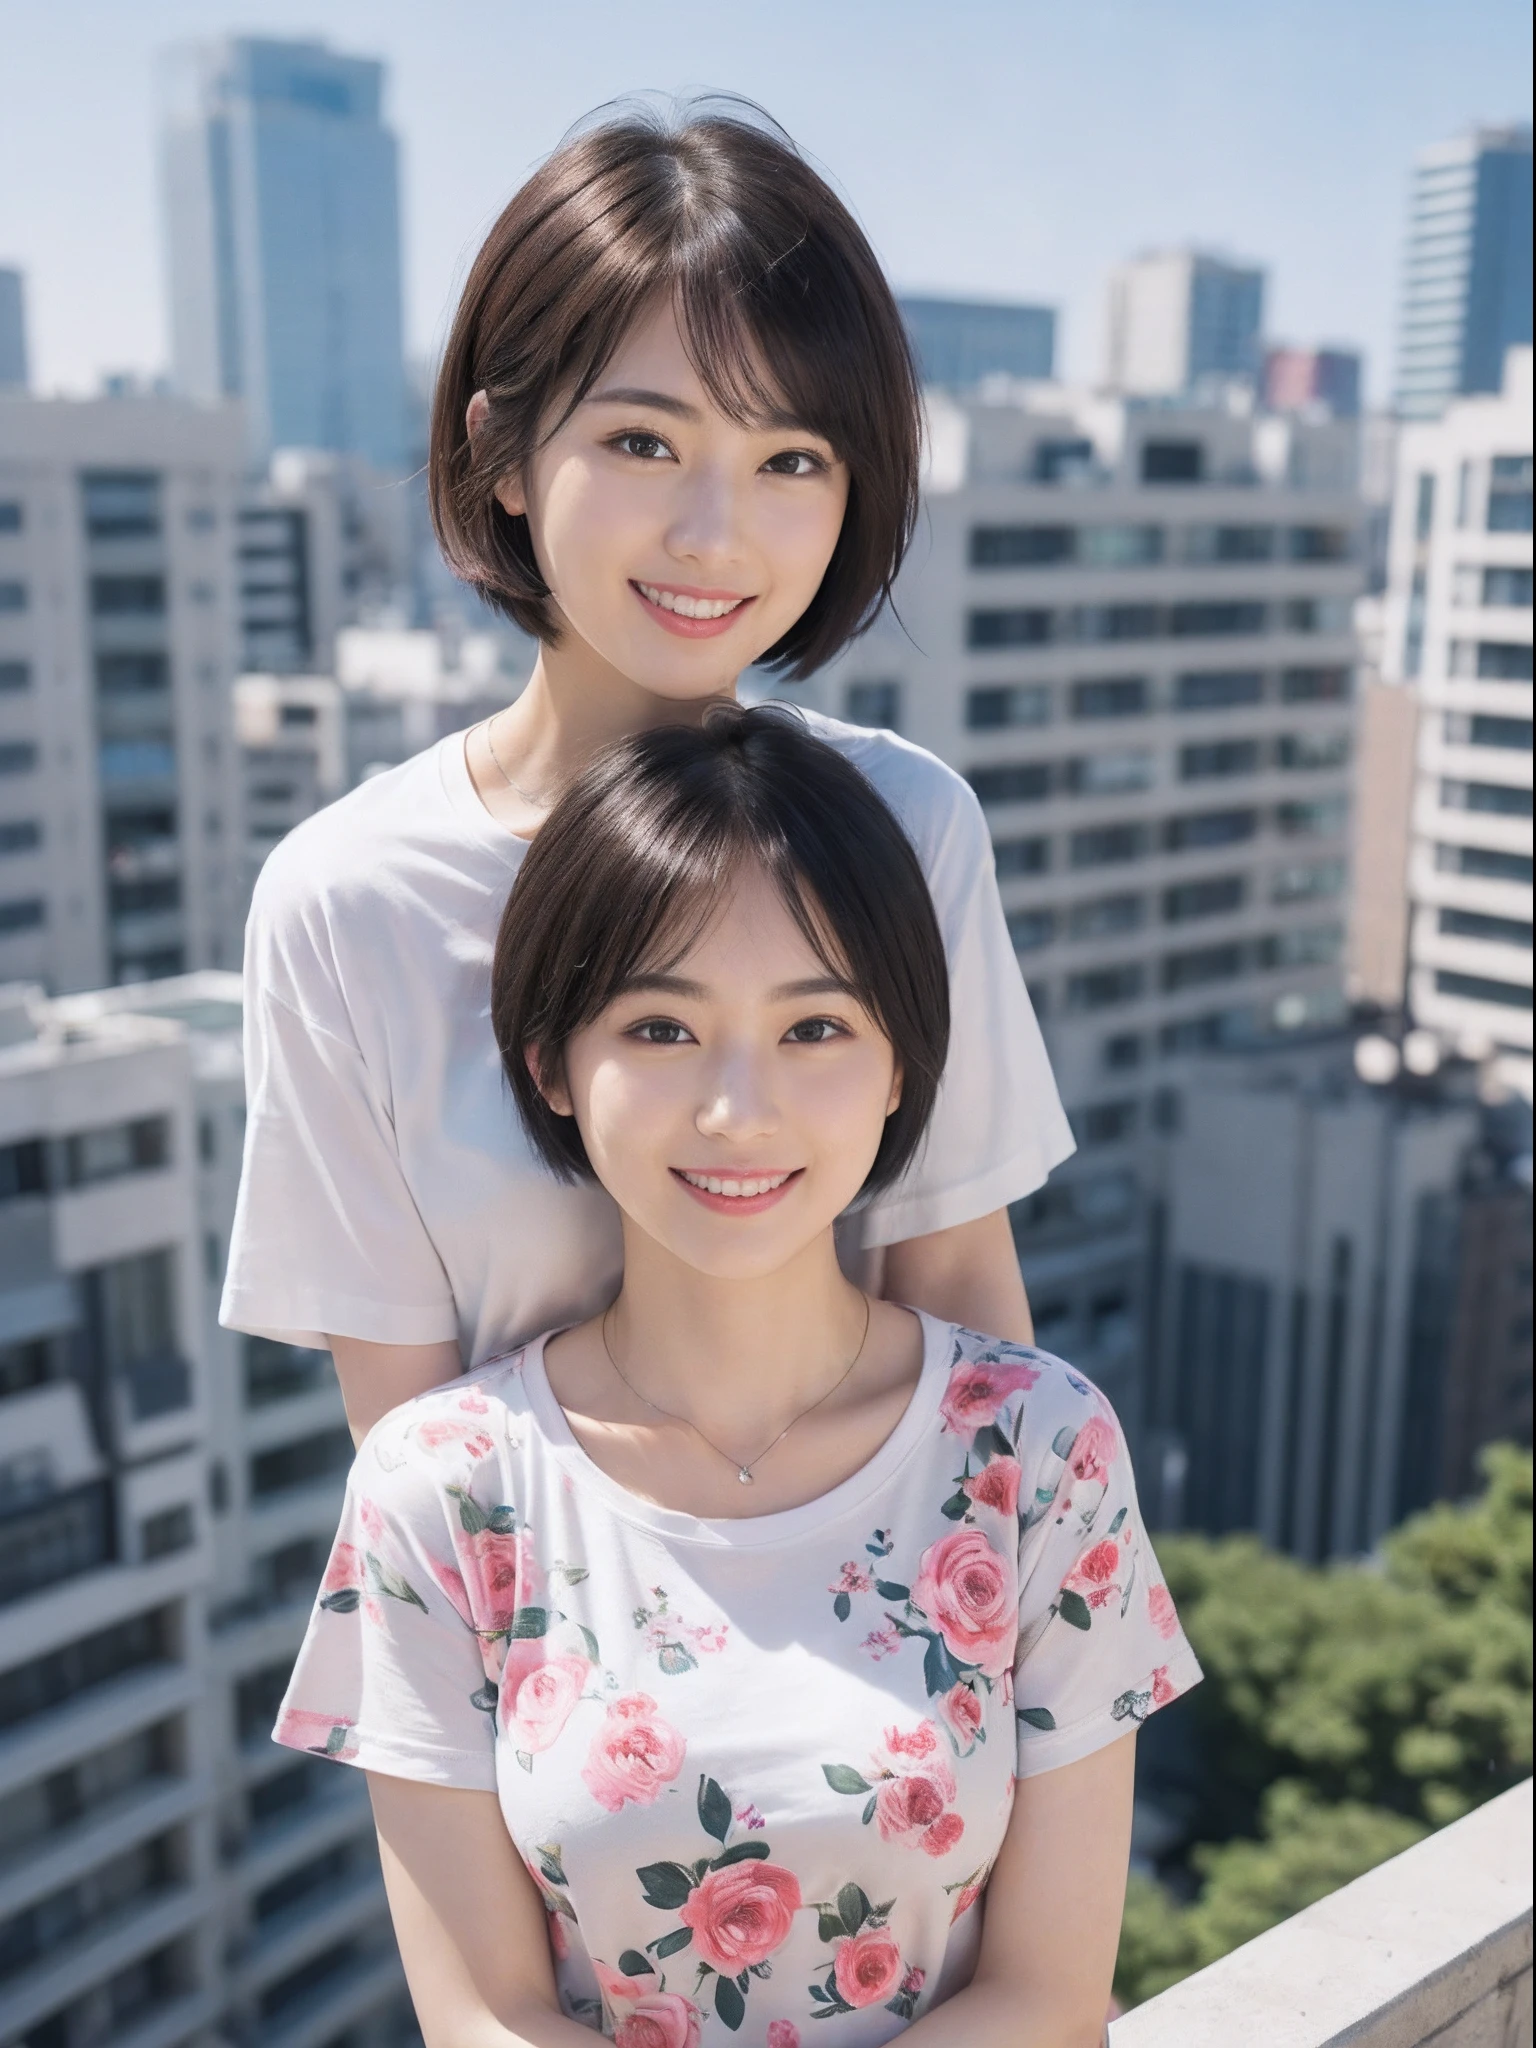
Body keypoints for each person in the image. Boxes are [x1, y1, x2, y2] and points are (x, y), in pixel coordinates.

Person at [274, 708, 1200, 2048]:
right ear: (552, 1065)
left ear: (901, 1070)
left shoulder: (1039, 1451)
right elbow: (482, 2018)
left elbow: (1051, 1998)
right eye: (660, 1029)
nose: (737, 1110)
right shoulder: (440, 1491)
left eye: (817, 1028)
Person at [220, 101, 1074, 1442]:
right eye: (643, 442)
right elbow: (408, 1444)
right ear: (504, 453)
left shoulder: (906, 826)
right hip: (542, 1635)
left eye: (789, 458)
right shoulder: (349, 904)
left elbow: (963, 1294)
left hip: (884, 1616)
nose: (713, 534)